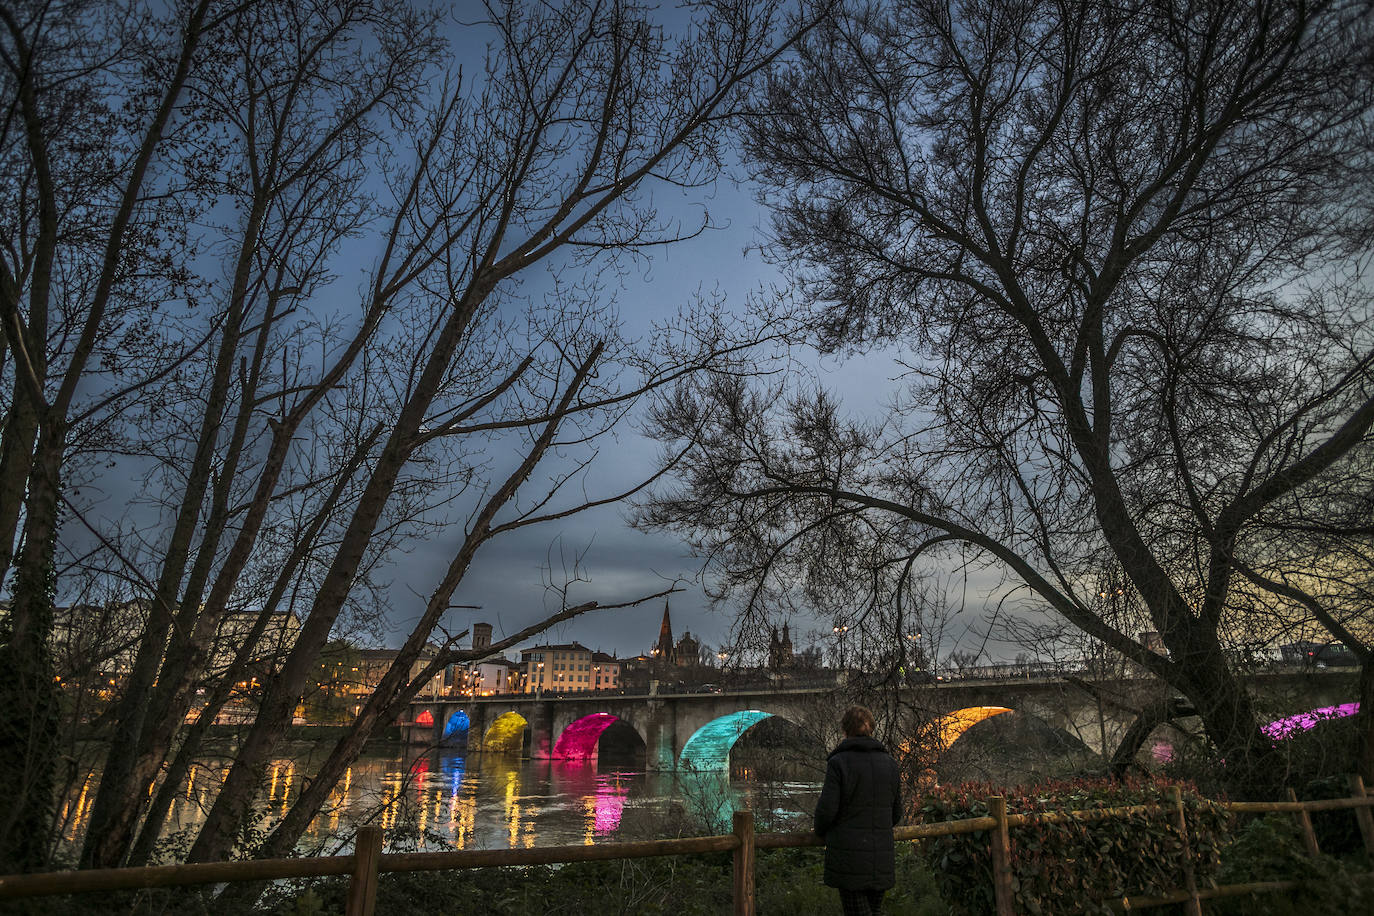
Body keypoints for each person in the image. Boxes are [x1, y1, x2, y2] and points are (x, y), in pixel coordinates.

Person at [814, 705, 903, 916]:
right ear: (871, 729)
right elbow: (896, 812)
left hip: (849, 860)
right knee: (874, 911)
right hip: (880, 857)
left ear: (845, 731)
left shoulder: (839, 763)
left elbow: (827, 810)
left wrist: (820, 831)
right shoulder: (890, 764)